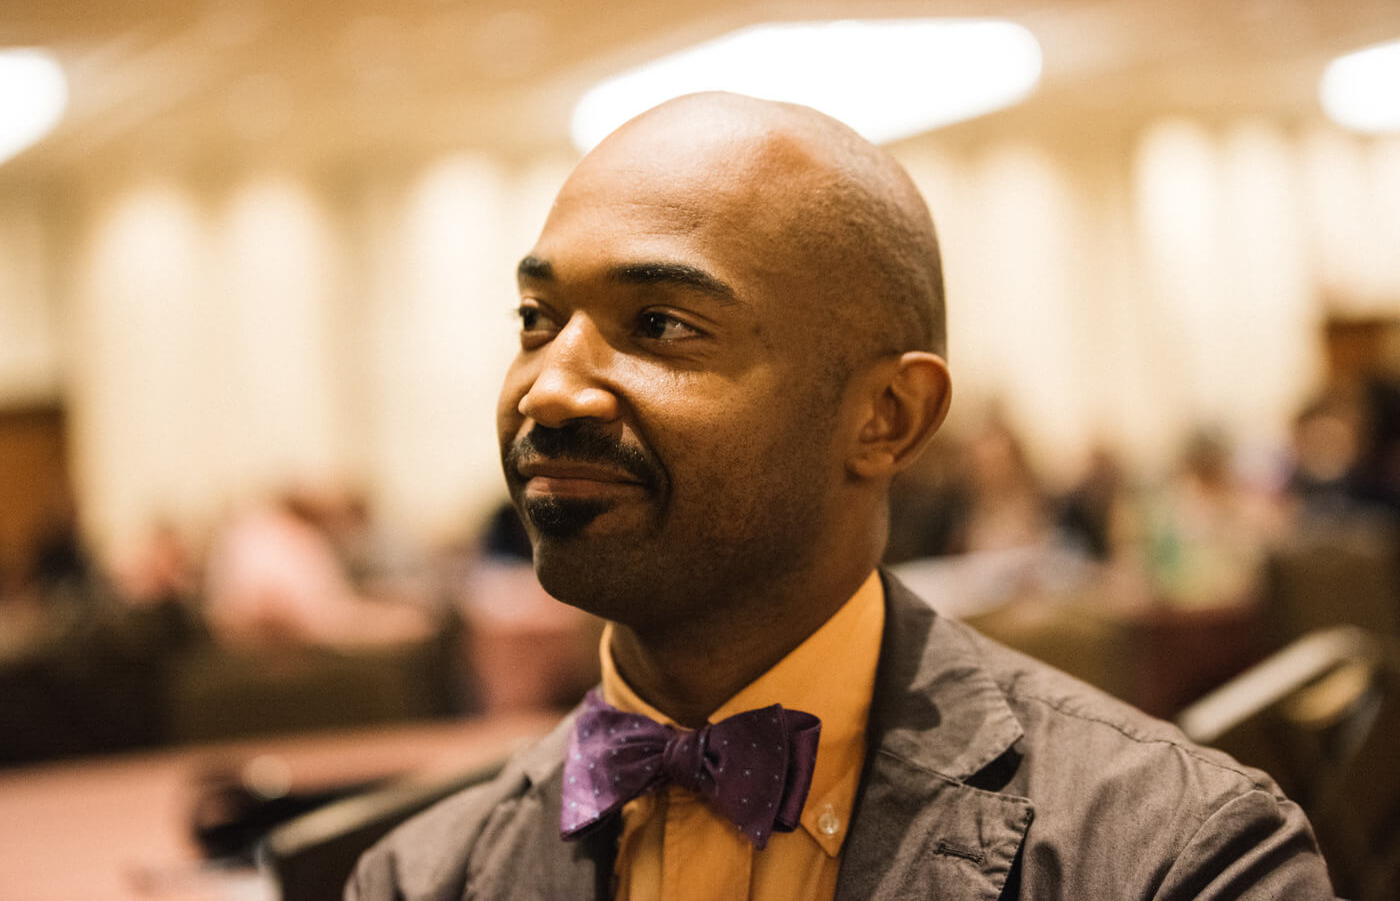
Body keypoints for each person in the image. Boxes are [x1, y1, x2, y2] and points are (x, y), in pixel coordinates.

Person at [349, 93, 1334, 899]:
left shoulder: (1177, 856)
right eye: (536, 317)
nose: (551, 384)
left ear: (888, 415)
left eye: (658, 323)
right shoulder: (416, 877)